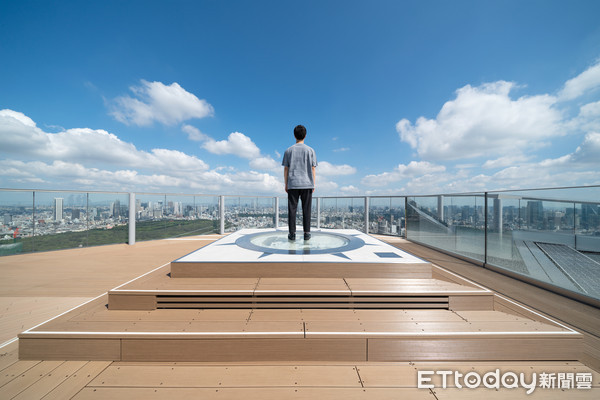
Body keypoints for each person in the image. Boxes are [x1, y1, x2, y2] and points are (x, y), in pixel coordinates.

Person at [282, 124, 317, 241]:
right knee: (306, 209)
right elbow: (313, 168)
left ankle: (292, 234)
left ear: (294, 135)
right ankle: (307, 233)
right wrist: (313, 183)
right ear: (305, 135)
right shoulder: (311, 150)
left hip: (292, 184)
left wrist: (286, 183)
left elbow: (286, 168)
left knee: (292, 209)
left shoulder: (288, 150)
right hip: (307, 183)